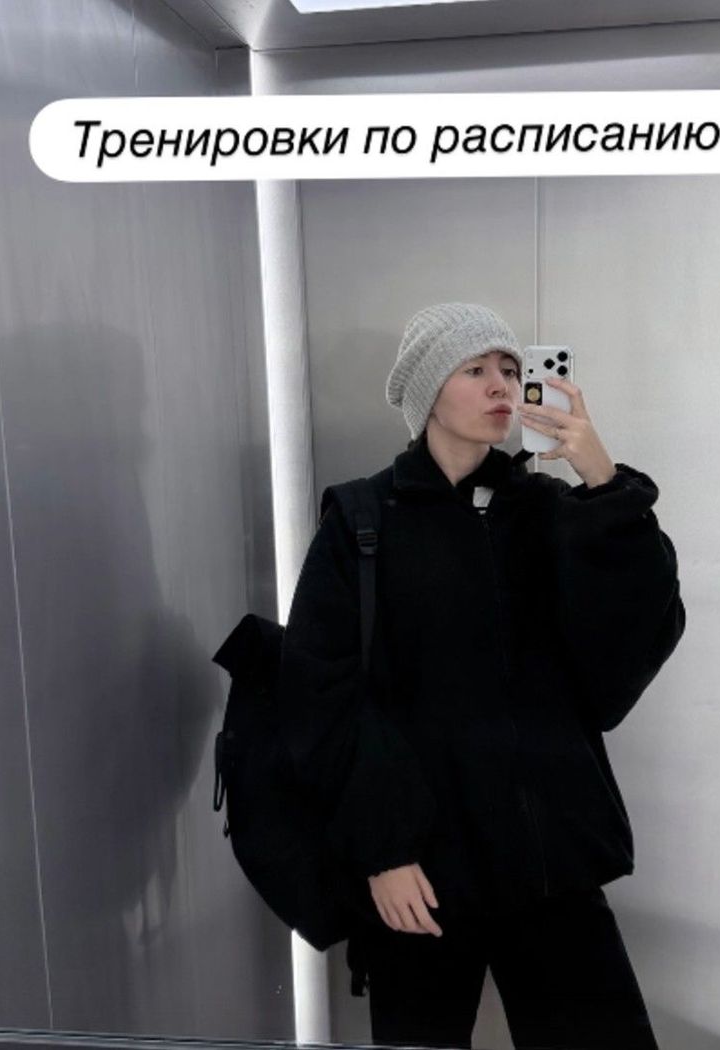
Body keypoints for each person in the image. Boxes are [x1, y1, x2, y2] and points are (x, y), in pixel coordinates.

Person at [279, 303, 686, 1049]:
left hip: (550, 862)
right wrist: (383, 851)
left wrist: (602, 481)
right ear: (429, 393)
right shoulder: (364, 519)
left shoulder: (551, 510)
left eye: (509, 368)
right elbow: (322, 698)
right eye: (475, 370)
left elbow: (639, 628)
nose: (501, 385)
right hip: (422, 871)